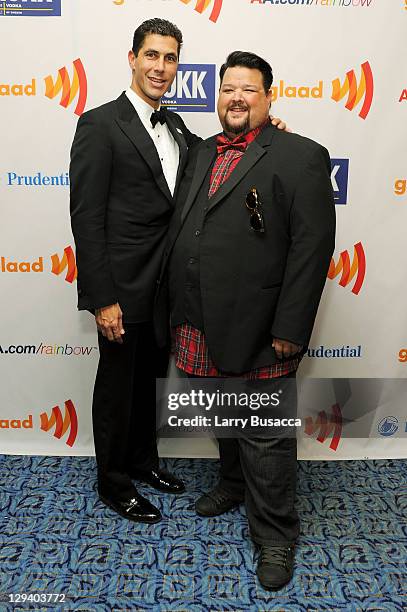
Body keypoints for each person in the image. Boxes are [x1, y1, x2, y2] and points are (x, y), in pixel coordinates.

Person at [70, 17, 289, 524]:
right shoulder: (100, 125)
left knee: (148, 382)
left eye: (170, 58)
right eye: (152, 55)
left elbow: (221, 157)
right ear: (132, 58)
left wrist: (265, 128)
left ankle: (144, 462)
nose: (160, 67)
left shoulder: (177, 127)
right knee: (117, 388)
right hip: (122, 291)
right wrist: (102, 298)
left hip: (167, 290)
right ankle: (114, 481)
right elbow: (86, 220)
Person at [155, 51, 336, 589]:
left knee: (266, 434)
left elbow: (312, 249)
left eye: (249, 90)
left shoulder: (301, 155)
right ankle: (234, 483)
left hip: (261, 325)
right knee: (223, 412)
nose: (236, 98)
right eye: (228, 89)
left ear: (269, 96)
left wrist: (290, 329)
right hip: (195, 318)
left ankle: (276, 535)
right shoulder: (201, 150)